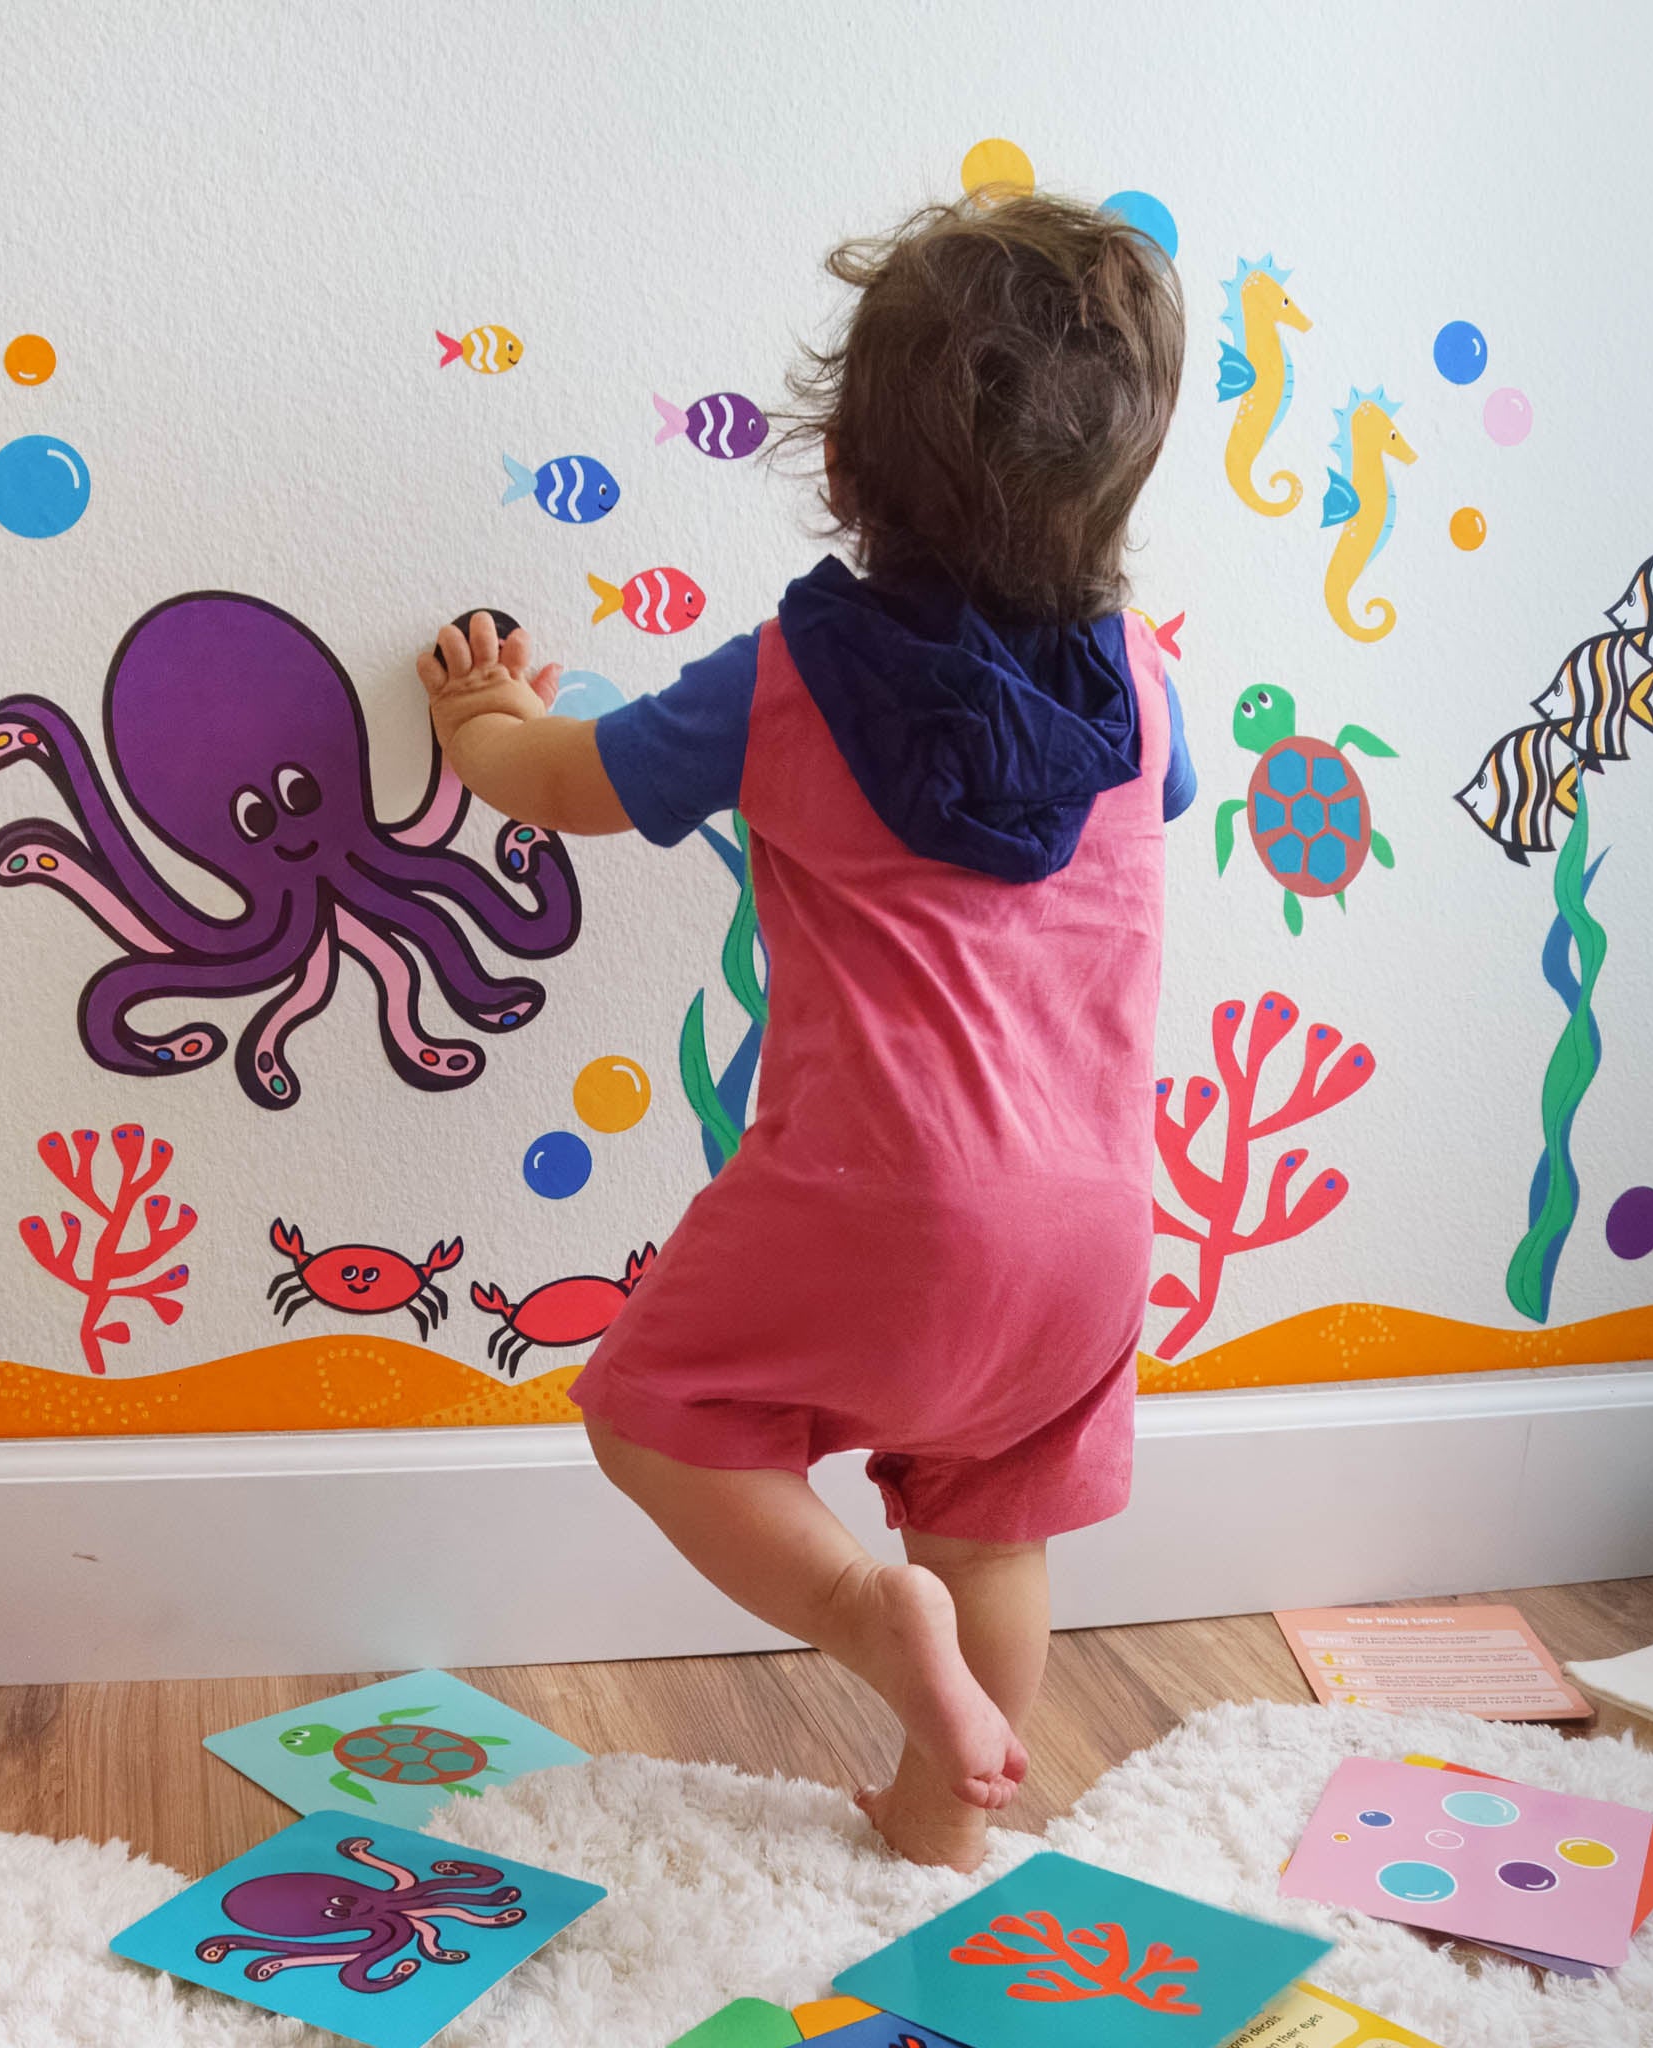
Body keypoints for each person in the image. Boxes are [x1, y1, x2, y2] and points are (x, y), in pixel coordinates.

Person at [417, 191, 1192, 1870]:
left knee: (646, 1411)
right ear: (1119, 493)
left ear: (840, 472)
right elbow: (1170, 796)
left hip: (876, 1200)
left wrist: (485, 715)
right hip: (1093, 1235)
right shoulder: (1145, 688)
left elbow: (565, 785)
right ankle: (935, 1821)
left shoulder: (787, 680)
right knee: (992, 1531)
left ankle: (856, 1609)